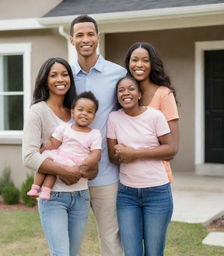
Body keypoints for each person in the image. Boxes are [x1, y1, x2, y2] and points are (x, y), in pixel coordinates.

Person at [22, 58, 98, 256]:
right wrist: (66, 170)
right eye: (53, 75)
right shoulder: (37, 112)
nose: (60, 79)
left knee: (73, 253)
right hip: (53, 196)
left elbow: (90, 155)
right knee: (61, 253)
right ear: (45, 80)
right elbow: (29, 156)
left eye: (64, 74)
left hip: (81, 195)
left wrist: (87, 169)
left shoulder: (78, 111)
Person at [70, 14, 127, 256]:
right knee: (70, 242)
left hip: (106, 174)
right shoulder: (63, 77)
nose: (86, 39)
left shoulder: (119, 74)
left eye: (90, 34)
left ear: (98, 37)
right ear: (72, 40)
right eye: (80, 35)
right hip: (70, 175)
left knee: (111, 240)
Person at [107, 76, 175, 256]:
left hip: (157, 193)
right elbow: (113, 156)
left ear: (139, 94)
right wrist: (120, 153)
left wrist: (134, 153)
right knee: (132, 253)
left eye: (130, 89)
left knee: (153, 252)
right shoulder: (114, 118)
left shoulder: (155, 115)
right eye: (121, 90)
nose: (126, 93)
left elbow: (169, 150)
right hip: (127, 196)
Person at [27, 91, 102, 201]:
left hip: (76, 163)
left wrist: (85, 163)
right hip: (61, 156)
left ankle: (46, 191)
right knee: (48, 165)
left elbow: (96, 154)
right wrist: (43, 149)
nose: (84, 113)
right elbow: (54, 144)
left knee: (53, 169)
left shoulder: (94, 134)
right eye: (80, 110)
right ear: (72, 112)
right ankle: (35, 188)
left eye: (89, 112)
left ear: (94, 117)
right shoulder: (64, 128)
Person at [124, 42, 179, 182]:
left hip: (156, 180)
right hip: (127, 181)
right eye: (134, 60)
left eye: (145, 60)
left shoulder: (164, 94)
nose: (139, 65)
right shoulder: (124, 96)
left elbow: (172, 149)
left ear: (153, 64)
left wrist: (134, 154)